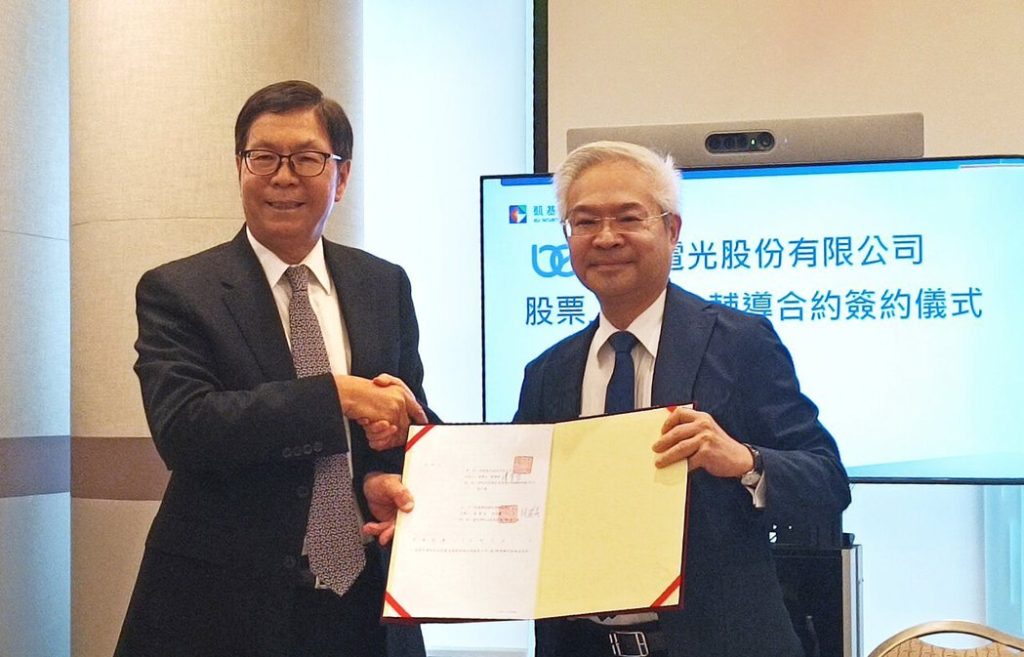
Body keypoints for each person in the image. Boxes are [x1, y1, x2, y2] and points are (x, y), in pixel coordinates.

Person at [114, 80, 432, 657]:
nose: (283, 177)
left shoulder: (383, 284)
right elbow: (186, 429)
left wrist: (382, 471)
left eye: (307, 158)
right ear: (240, 168)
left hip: (367, 602)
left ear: (341, 176)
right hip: (223, 606)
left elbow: (406, 417)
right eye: (263, 157)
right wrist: (334, 396)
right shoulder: (179, 290)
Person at [514, 141, 851, 657]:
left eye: (629, 218)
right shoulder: (547, 372)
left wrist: (745, 461)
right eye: (584, 222)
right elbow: (519, 498)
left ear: (672, 229)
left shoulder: (740, 342)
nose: (606, 237)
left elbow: (828, 481)